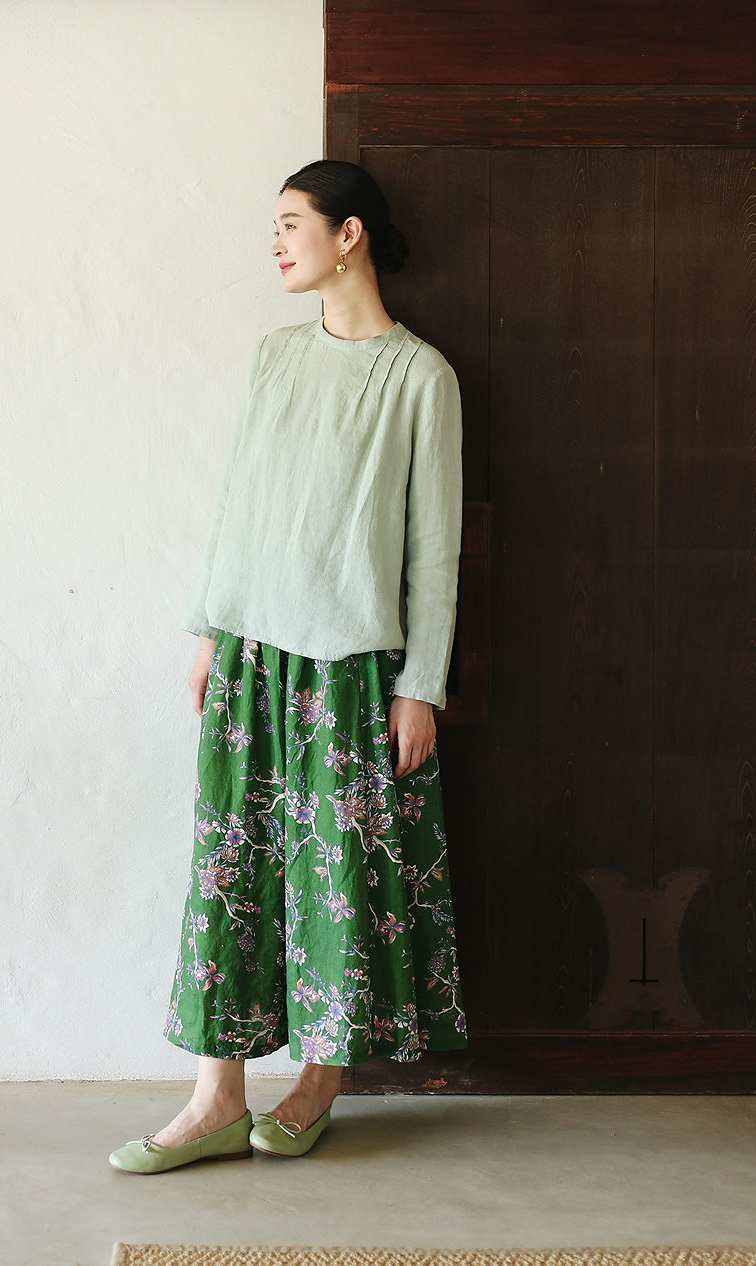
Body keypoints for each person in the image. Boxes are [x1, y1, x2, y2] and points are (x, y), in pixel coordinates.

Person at [109, 160, 466, 1175]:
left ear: (349, 235)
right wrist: (209, 630)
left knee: (334, 877)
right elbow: (239, 501)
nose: (274, 242)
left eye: (290, 223)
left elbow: (434, 549)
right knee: (231, 869)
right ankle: (215, 1098)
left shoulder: (421, 377)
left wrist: (420, 685)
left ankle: (318, 1083)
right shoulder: (274, 357)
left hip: (350, 672)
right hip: (251, 659)